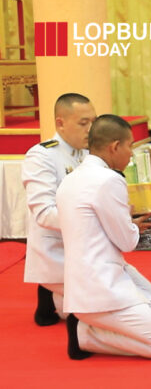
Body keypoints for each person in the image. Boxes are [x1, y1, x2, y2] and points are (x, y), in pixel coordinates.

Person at [56, 115, 151, 360]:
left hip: (86, 287)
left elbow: (94, 228)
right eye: (130, 146)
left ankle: (87, 333)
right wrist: (135, 226)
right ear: (115, 146)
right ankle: (87, 335)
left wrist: (129, 223)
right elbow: (127, 242)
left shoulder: (70, 179)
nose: (131, 154)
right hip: (103, 291)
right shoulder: (109, 179)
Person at [21, 93, 96, 326]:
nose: (91, 129)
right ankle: (51, 296)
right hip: (56, 248)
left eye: (93, 122)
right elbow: (44, 213)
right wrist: (91, 220)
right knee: (104, 304)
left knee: (132, 291)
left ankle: (53, 299)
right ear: (60, 123)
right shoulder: (42, 156)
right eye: (83, 123)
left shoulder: (89, 154)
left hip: (88, 247)